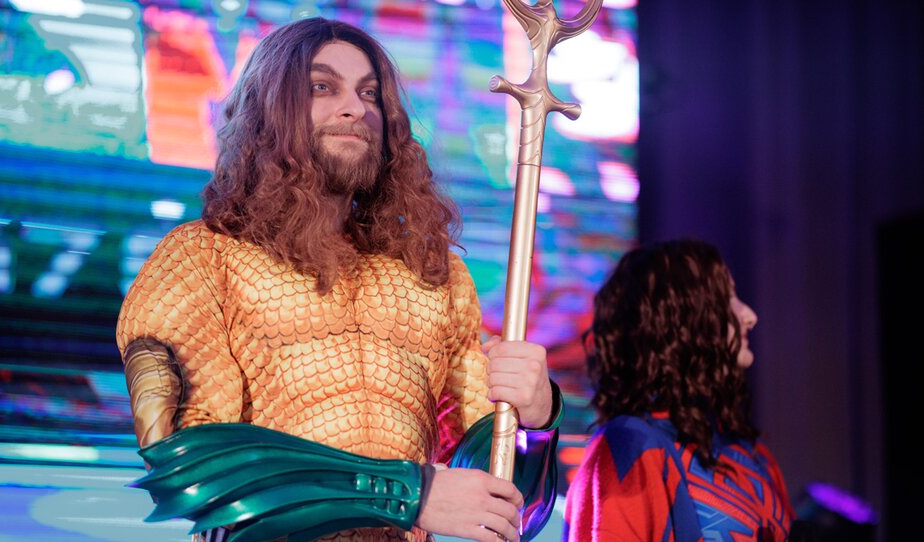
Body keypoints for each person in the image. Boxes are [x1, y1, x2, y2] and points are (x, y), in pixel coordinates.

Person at [117, 17, 561, 542]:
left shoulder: (432, 274)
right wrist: (409, 494)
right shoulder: (200, 258)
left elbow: (506, 509)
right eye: (322, 87)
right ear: (269, 111)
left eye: (369, 93)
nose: (355, 108)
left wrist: (536, 421)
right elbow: (185, 464)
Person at [563, 239, 794, 541]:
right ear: (680, 316)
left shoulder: (754, 452)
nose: (750, 315)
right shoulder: (630, 445)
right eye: (727, 297)